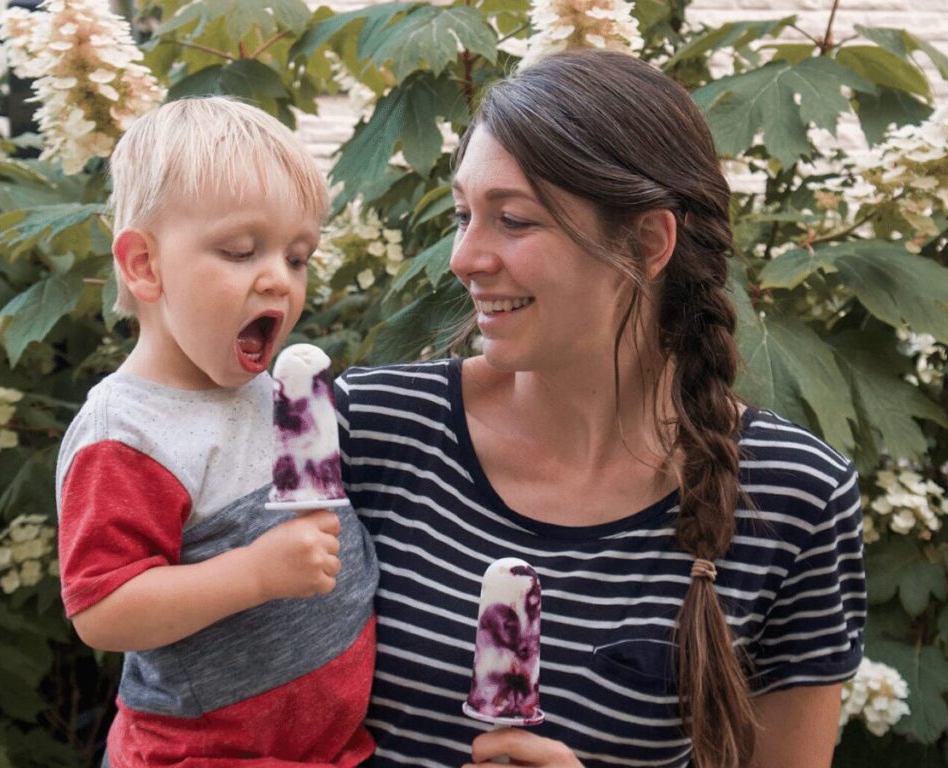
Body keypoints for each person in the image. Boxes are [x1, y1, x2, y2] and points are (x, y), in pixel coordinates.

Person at [335, 49, 865, 768]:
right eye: (464, 214)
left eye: (512, 220)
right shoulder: (367, 431)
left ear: (648, 243)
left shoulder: (794, 496)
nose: (463, 257)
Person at [55, 97, 378, 768]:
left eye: (297, 258)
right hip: (204, 753)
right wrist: (255, 573)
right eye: (239, 251)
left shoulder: (275, 393)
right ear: (144, 266)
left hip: (327, 747)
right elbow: (104, 610)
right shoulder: (129, 433)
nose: (279, 280)